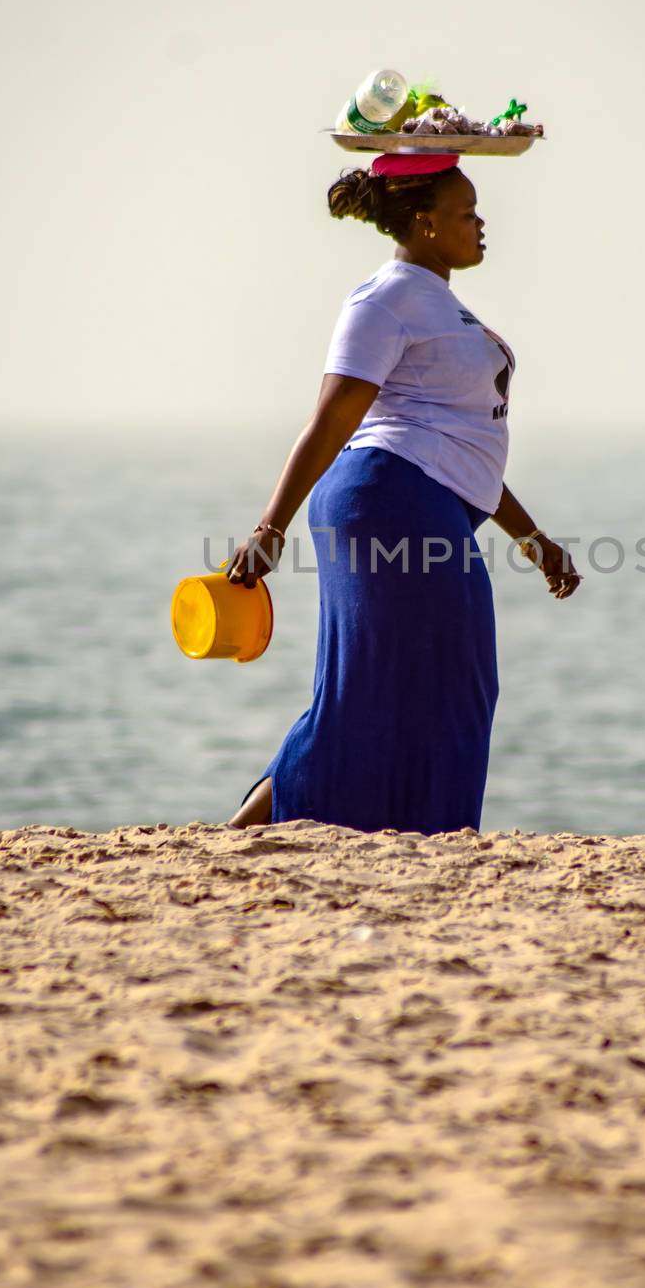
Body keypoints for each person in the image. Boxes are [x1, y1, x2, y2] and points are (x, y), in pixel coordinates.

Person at [225, 150, 581, 835]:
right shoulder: (385, 299)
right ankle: (252, 835)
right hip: (387, 499)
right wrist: (270, 529)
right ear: (422, 222)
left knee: (429, 684)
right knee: (402, 688)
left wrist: (535, 543)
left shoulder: (441, 305)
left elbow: (459, 450)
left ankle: (406, 835)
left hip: (416, 497)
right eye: (466, 213)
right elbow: (332, 418)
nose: (481, 225)